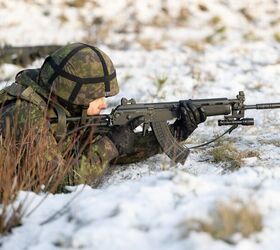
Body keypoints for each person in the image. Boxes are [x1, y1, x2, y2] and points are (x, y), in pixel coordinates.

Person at [0, 43, 206, 186]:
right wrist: (110, 145)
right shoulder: (24, 114)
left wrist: (175, 133)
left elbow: (110, 151)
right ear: (75, 94)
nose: (103, 104)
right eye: (97, 96)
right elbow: (60, 183)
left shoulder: (62, 107)